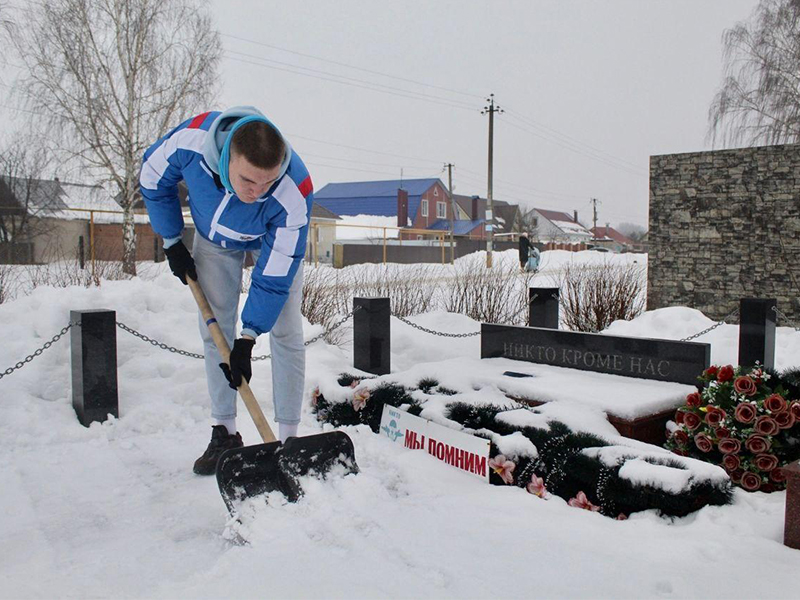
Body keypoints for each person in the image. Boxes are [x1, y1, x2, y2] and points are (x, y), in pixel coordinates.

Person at [139, 106, 313, 475]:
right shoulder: (190, 142)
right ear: (225, 158)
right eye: (249, 181)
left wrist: (249, 339)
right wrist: (171, 240)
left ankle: (287, 439)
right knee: (215, 327)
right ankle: (225, 433)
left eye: (267, 183)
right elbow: (153, 179)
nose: (258, 191)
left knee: (286, 331)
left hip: (270, 237)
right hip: (214, 240)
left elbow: (276, 273)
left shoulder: (293, 189)